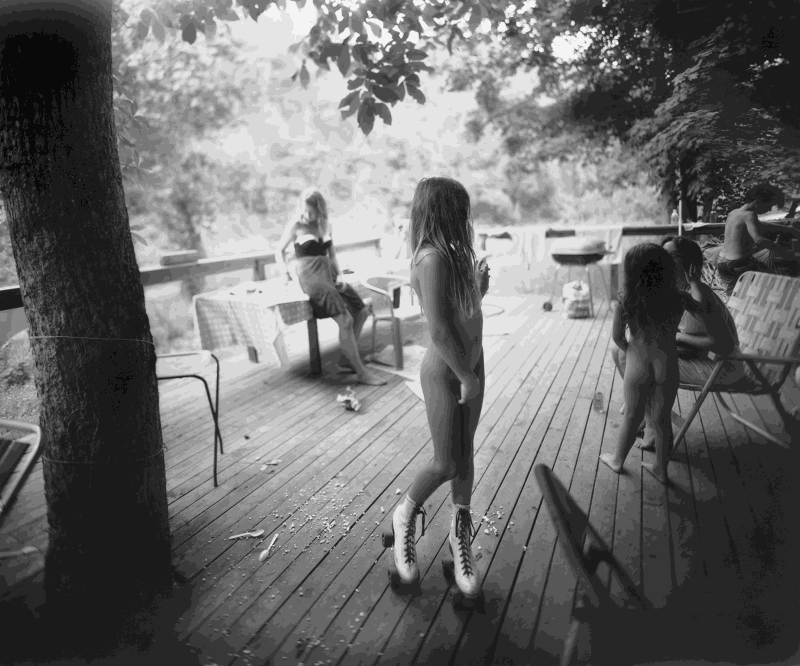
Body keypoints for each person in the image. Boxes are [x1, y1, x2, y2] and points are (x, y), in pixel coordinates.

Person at [390, 177, 490, 598]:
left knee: (465, 454)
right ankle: (405, 514)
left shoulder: (450, 256)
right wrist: (466, 376)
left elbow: (462, 313)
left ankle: (458, 534)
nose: (467, 219)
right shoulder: (430, 259)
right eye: (461, 211)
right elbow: (438, 327)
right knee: (446, 462)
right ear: (445, 211)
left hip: (472, 364)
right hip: (447, 370)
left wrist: (479, 291)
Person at [600, 243, 700, 484]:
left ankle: (617, 460)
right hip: (667, 363)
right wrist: (694, 282)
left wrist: (632, 351)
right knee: (662, 420)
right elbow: (702, 309)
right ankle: (660, 470)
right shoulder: (678, 297)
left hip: (638, 364)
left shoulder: (626, 299)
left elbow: (617, 337)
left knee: (632, 417)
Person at [274, 188, 387, 386]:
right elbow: (278, 251)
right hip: (310, 275)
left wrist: (340, 276)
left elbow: (332, 254)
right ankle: (361, 373)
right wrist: (284, 272)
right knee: (345, 320)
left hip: (329, 273)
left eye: (312, 212)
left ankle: (346, 357)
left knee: (361, 311)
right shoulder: (296, 225)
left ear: (320, 211)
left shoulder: (326, 225)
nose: (307, 215)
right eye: (304, 210)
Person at [717, 183, 800, 295]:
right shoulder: (750, 215)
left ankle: (731, 309)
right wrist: (783, 251)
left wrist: (787, 229)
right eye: (769, 206)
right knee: (771, 282)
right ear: (758, 202)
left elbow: (759, 224)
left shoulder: (734, 212)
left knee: (733, 294)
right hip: (740, 264)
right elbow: (758, 239)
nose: (769, 209)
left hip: (722, 262)